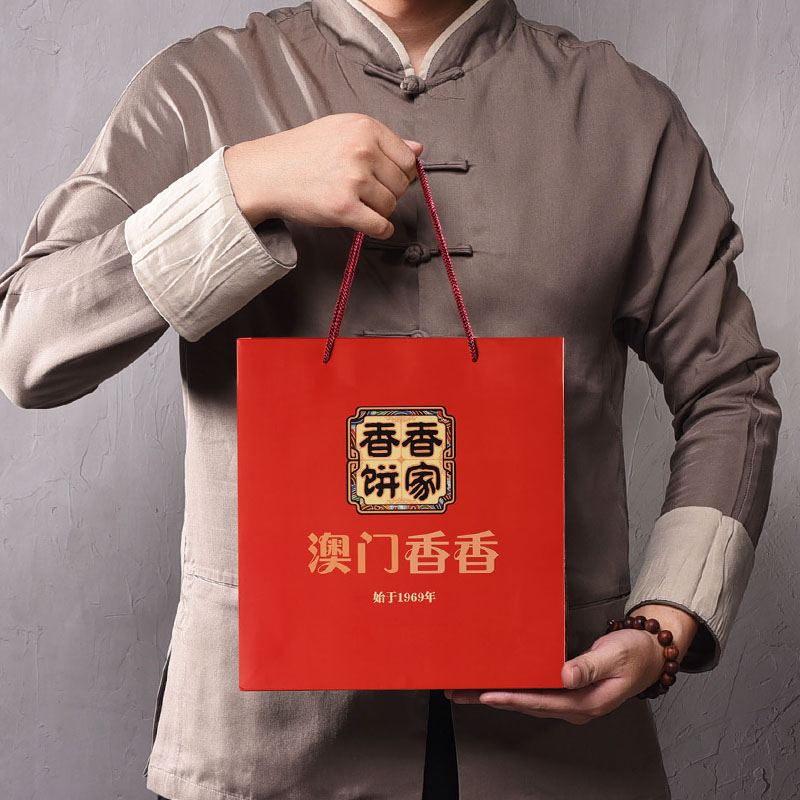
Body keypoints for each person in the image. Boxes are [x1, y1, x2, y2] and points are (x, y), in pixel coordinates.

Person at [0, 0, 782, 798]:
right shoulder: (198, 87)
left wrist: (667, 623)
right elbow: (29, 349)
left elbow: (729, 389)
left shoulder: (624, 112)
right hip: (262, 755)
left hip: (560, 752)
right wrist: (242, 184)